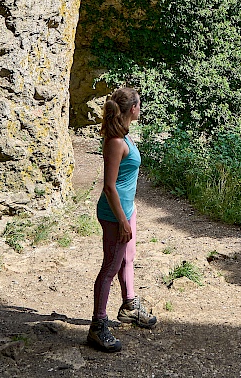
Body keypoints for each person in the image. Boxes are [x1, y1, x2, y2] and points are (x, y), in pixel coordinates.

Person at [88, 87, 157, 353]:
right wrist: (122, 221)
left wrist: (130, 213)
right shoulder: (115, 142)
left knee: (128, 259)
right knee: (110, 267)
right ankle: (97, 326)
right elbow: (109, 187)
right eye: (140, 104)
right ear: (133, 109)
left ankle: (129, 306)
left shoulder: (123, 136)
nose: (141, 108)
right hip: (114, 215)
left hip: (126, 211)